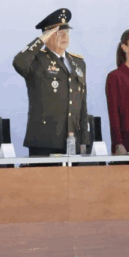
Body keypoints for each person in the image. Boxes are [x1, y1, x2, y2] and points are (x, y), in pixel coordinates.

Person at [13, 8, 90, 156]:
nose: (64, 36)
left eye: (66, 32)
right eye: (58, 33)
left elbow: (82, 104)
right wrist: (40, 40)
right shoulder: (36, 60)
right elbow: (18, 63)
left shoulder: (78, 63)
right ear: (47, 36)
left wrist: (84, 140)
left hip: (72, 139)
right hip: (44, 139)